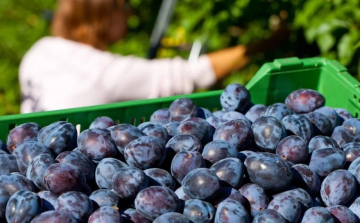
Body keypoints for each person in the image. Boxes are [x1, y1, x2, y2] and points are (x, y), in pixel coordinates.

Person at [19, 0, 289, 113]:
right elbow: (190, 76)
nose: (129, 13)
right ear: (101, 17)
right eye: (123, 5)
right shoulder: (104, 74)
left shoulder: (39, 52)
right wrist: (263, 45)